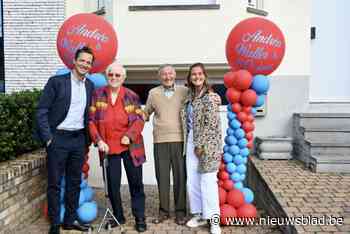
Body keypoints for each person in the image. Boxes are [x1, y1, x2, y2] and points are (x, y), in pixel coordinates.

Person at [35, 46, 95, 234]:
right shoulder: (57, 82)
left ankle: (69, 220)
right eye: (82, 60)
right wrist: (48, 139)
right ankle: (55, 223)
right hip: (58, 139)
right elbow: (42, 111)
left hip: (78, 140)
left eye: (88, 62)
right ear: (74, 61)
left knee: (74, 182)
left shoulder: (89, 85)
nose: (85, 64)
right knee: (54, 183)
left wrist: (87, 140)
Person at [88, 62, 147, 232]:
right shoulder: (97, 94)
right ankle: (118, 216)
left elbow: (139, 119)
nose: (114, 78)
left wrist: (129, 136)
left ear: (123, 78)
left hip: (131, 146)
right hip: (107, 147)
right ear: (107, 76)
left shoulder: (132, 95)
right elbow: (91, 121)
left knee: (136, 184)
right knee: (112, 186)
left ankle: (140, 217)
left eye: (117, 75)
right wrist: (98, 140)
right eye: (111, 75)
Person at [180, 63, 222, 234]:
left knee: (208, 181)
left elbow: (211, 124)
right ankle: (199, 214)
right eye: (193, 74)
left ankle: (214, 220)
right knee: (193, 180)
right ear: (190, 78)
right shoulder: (189, 97)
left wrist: (201, 145)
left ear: (204, 76)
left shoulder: (211, 97)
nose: (197, 76)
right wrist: (193, 143)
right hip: (190, 140)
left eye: (199, 73)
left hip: (208, 144)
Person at [144, 64, 188, 225]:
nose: (167, 76)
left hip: (180, 140)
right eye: (164, 74)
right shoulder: (153, 93)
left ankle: (181, 212)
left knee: (180, 178)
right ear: (159, 77)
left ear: (175, 75)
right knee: (162, 177)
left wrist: (214, 96)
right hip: (160, 140)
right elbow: (146, 113)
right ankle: (163, 212)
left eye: (170, 73)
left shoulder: (185, 91)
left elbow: (199, 99)